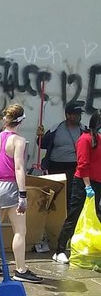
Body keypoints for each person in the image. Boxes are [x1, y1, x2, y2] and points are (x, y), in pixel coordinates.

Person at [0, 104, 42, 283]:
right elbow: (18, 168)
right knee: (20, 230)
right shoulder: (18, 141)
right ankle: (20, 269)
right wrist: (23, 194)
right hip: (11, 186)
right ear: (21, 121)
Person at [55, 108, 101, 263]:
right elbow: (83, 165)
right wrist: (88, 187)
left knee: (96, 215)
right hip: (83, 182)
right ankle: (59, 249)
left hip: (97, 182)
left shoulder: (99, 139)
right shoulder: (85, 139)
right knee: (75, 214)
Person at [41, 102, 83, 261]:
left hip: (74, 166)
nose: (77, 117)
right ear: (68, 115)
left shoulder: (83, 129)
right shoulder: (56, 128)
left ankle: (66, 230)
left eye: (79, 114)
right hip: (56, 166)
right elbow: (43, 144)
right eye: (75, 114)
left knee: (71, 197)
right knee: (56, 196)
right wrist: (40, 135)